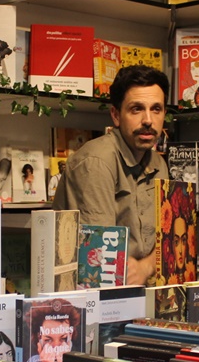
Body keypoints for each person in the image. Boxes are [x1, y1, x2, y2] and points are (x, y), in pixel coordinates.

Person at [52, 65, 169, 286]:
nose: (148, 120)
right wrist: (147, 267)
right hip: (92, 296)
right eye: (136, 109)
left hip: (140, 292)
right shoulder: (96, 162)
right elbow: (102, 259)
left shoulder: (158, 163)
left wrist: (145, 267)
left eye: (156, 109)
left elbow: (168, 241)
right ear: (116, 115)